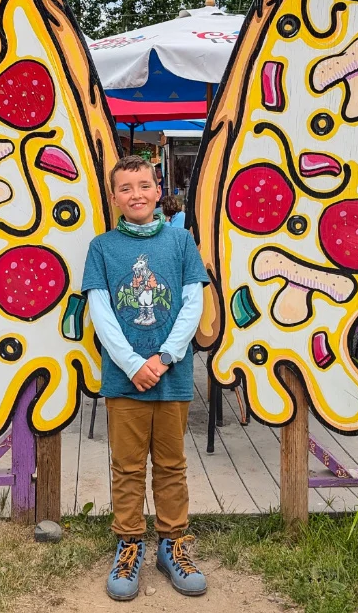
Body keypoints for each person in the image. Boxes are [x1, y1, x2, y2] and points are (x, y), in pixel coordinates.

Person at [81, 155, 209, 600]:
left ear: (158, 191)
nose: (136, 194)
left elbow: (193, 304)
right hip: (124, 379)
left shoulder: (182, 243)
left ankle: (173, 542)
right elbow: (100, 310)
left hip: (172, 376)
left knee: (173, 465)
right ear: (114, 197)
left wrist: (166, 356)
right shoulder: (102, 247)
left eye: (144, 185)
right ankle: (130, 542)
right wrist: (134, 364)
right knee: (128, 467)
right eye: (126, 187)